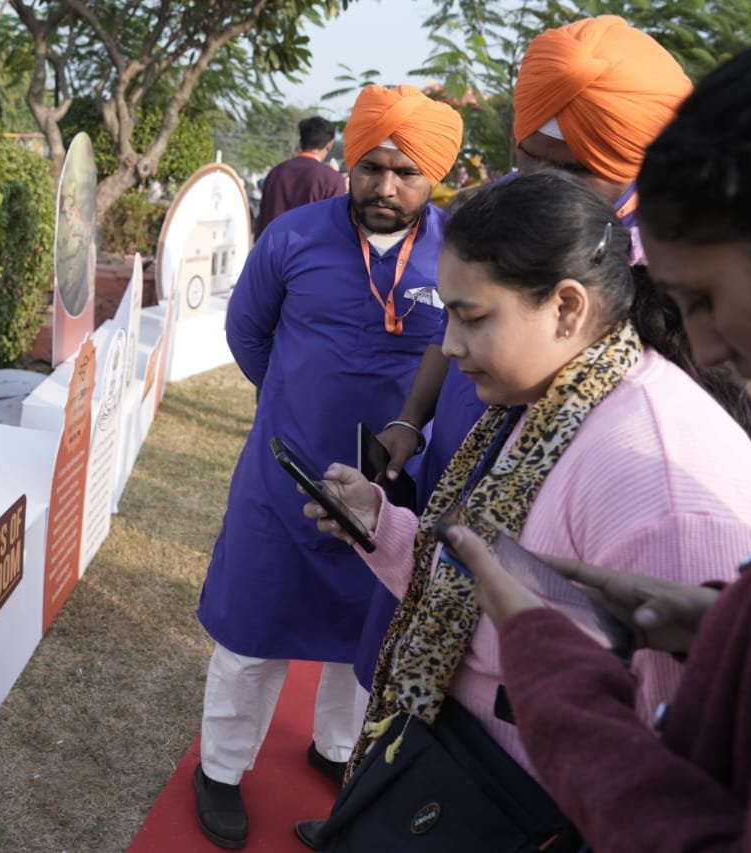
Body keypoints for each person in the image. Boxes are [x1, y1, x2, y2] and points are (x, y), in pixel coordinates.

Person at [297, 172, 751, 850]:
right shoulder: (553, 400)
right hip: (455, 783)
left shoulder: (663, 489)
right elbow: (477, 593)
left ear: (566, 307)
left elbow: (680, 761)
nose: (450, 346)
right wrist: (379, 523)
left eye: (472, 317)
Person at [445, 30, 751, 851]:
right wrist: (725, 628)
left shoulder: (666, 477)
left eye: (705, 298)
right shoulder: (567, 399)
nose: (702, 347)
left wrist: (548, 663)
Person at [191, 84, 462, 849]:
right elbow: (248, 333)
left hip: (391, 484)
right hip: (285, 472)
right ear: (349, 161)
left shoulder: (461, 251)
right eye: (371, 166)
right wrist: (295, 402)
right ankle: (220, 768)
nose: (385, 186)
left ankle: (336, 748)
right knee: (252, 627)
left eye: (405, 172)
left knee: (364, 632)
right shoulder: (293, 236)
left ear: (434, 176)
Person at [376, 16, 751, 511]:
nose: (544, 182)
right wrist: (411, 420)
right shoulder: (502, 204)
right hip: (460, 450)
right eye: (530, 157)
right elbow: (445, 329)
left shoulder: (674, 252)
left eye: (575, 169)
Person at [254, 116, 345, 235]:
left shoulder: (275, 173)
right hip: (311, 247)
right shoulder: (332, 179)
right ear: (329, 145)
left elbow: (262, 221)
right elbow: (336, 229)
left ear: (300, 142)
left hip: (272, 245)